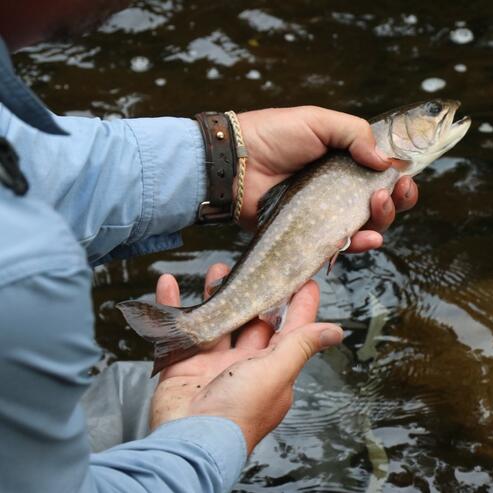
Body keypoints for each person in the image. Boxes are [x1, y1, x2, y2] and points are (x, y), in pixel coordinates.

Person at [0, 3, 419, 492]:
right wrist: (222, 432)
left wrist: (221, 160)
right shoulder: (27, 276)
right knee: (309, 413)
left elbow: (23, 158)